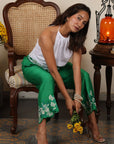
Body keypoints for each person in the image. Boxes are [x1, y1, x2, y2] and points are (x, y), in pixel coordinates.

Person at [22, 3, 105, 144]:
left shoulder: (76, 39)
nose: (80, 24)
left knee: (84, 75)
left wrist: (77, 97)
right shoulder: (47, 34)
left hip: (58, 68)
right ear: (67, 16)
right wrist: (67, 98)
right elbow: (53, 71)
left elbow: (76, 69)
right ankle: (41, 131)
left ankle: (92, 123)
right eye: (78, 18)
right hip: (34, 66)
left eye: (84, 22)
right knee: (47, 78)